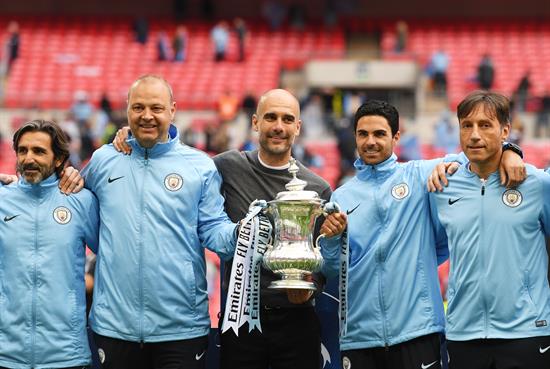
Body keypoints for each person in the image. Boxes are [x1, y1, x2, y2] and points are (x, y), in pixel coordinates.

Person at [112, 88, 347, 369]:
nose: (278, 127)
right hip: (241, 318)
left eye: (287, 119)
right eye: (270, 117)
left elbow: (321, 260)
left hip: (297, 318)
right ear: (255, 122)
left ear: (298, 126)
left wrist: (309, 287)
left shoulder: (317, 188)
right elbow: (174, 158)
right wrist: (133, 136)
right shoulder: (226, 166)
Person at [320, 99, 525, 369]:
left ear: (396, 137)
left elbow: (478, 154)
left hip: (418, 331)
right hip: (360, 337)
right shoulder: (342, 195)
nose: (370, 141)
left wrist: (511, 150)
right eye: (363, 134)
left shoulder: (419, 175)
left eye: (379, 134)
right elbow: (336, 270)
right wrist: (332, 240)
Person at [81, 75, 238, 369]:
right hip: (115, 326)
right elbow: (72, 201)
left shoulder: (199, 165)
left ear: (173, 110)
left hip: (180, 327)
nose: (147, 116)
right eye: (138, 107)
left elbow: (214, 228)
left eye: (156, 107)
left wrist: (242, 235)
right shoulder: (104, 160)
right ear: (127, 110)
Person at [429, 91, 550, 369]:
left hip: (527, 331)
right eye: (466, 125)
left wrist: (511, 151)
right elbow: (432, 249)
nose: (474, 135)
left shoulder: (537, 185)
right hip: (463, 333)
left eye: (485, 125)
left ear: (505, 130)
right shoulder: (442, 186)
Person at [0, 119, 99, 369]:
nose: (28, 158)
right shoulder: (3, 200)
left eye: (39, 151)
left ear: (58, 159)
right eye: (23, 150)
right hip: (6, 353)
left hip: (66, 353)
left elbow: (112, 256)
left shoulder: (81, 201)